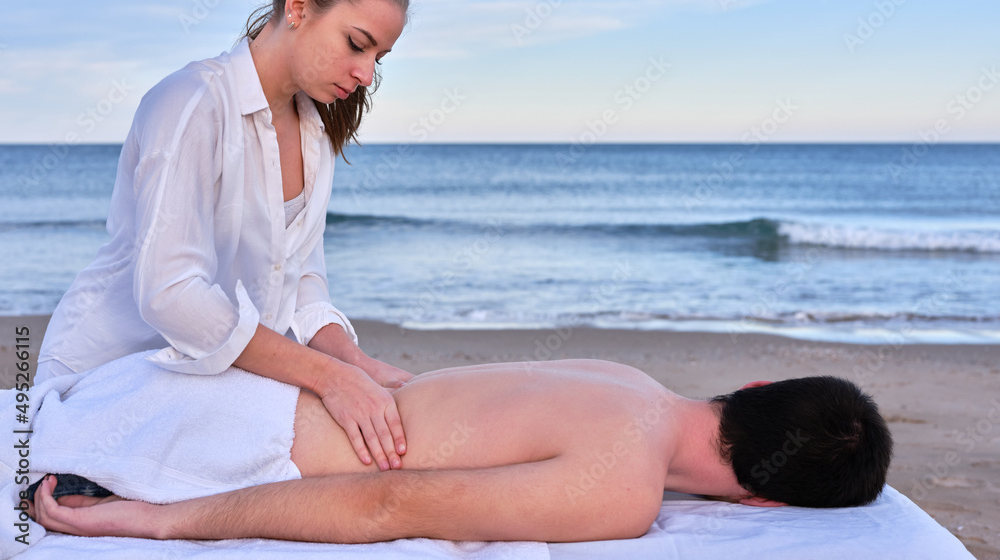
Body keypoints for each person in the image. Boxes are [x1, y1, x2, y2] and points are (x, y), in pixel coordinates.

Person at [36, 0, 413, 472]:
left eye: (377, 59)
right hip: (108, 382)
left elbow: (303, 279)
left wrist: (357, 364)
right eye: (357, 45)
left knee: (382, 432)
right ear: (299, 7)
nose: (364, 73)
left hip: (208, 383)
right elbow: (172, 295)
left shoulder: (314, 131)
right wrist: (327, 377)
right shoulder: (190, 104)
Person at [28, 354, 893, 544]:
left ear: (748, 391)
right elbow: (389, 502)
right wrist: (158, 519)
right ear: (768, 500)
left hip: (214, 390)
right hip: (208, 446)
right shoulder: (623, 488)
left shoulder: (625, 376)